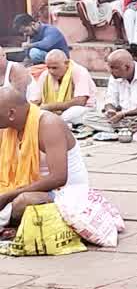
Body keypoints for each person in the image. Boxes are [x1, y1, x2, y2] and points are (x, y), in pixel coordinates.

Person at [0, 88, 91, 230]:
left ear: (11, 114)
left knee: (23, 201)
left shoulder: (49, 124)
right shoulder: (6, 128)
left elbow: (58, 178)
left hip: (64, 192)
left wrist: (9, 196)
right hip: (24, 187)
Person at [27, 50, 97, 126]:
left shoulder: (79, 71)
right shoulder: (45, 75)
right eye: (48, 67)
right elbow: (36, 99)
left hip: (82, 109)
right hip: (53, 112)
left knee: (70, 115)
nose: (51, 71)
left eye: (54, 68)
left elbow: (80, 101)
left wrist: (50, 107)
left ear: (66, 63)